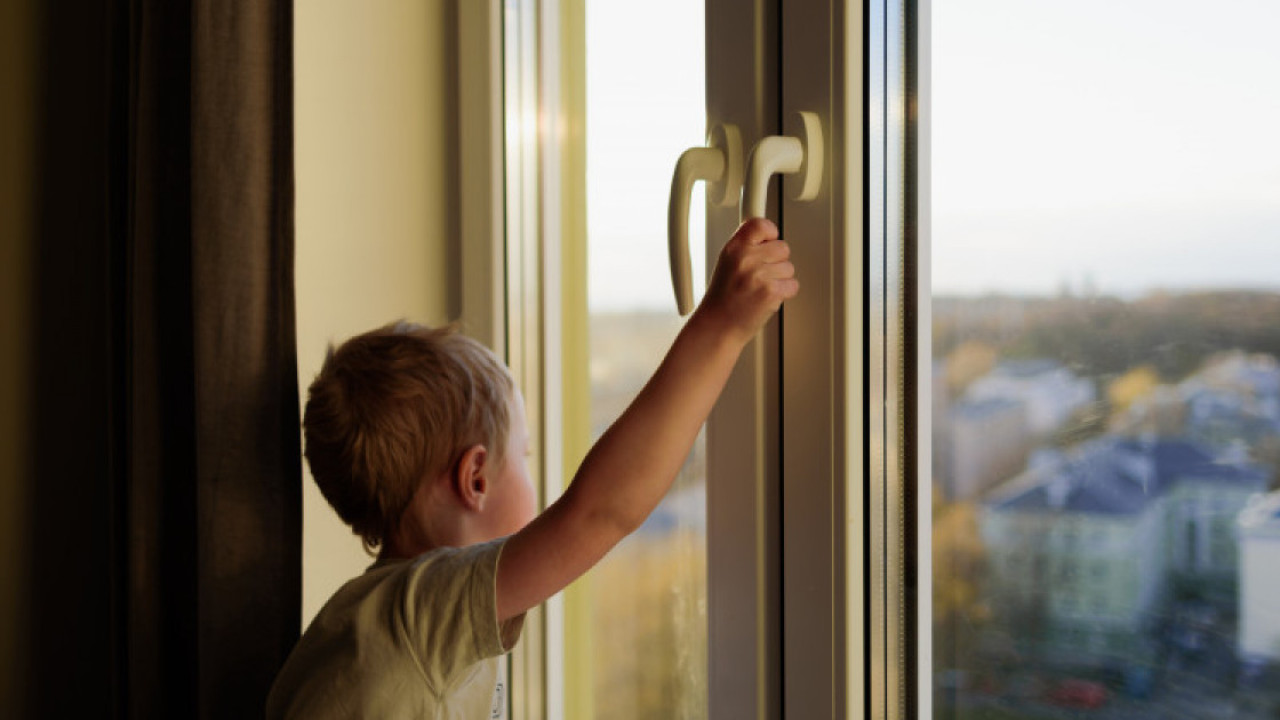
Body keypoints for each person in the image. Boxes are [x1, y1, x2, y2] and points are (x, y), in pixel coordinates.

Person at [266, 218, 798, 719]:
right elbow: (600, 512)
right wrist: (722, 327)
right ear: (475, 479)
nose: (534, 477)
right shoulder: (421, 613)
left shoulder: (368, 620)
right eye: (523, 456)